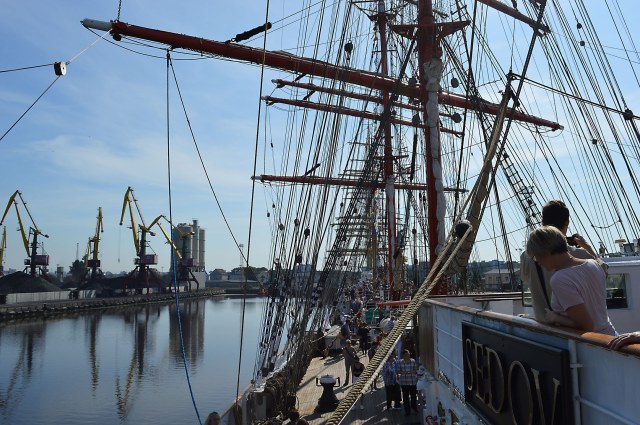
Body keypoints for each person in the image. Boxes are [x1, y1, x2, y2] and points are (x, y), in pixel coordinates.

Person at [520, 200, 607, 323]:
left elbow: (524, 278)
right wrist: (587, 247)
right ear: (567, 222)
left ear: (543, 222)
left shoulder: (527, 256)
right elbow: (603, 271)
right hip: (573, 330)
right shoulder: (580, 255)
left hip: (542, 327)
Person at [526, 226, 617, 335]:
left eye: (536, 257)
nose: (538, 262)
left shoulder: (559, 279)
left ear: (544, 252)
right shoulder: (593, 264)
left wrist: (555, 317)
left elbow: (588, 326)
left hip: (590, 342)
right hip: (610, 335)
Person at [396, 349, 418, 416]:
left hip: (412, 382)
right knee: (405, 398)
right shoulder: (400, 362)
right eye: (407, 354)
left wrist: (412, 372)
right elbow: (398, 371)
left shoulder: (413, 361)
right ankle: (407, 411)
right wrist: (404, 372)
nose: (409, 355)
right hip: (404, 382)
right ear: (404, 355)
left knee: (413, 396)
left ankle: (414, 408)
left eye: (409, 354)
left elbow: (416, 370)